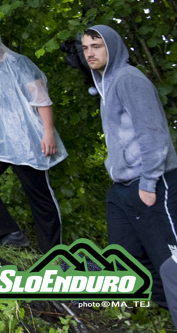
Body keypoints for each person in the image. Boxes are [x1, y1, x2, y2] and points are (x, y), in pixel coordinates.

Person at [81, 25, 177, 309]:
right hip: (122, 188)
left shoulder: (129, 79)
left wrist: (148, 183)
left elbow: (153, 134)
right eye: (85, 48)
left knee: (170, 263)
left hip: (153, 182)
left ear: (112, 47)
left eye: (96, 46)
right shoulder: (106, 84)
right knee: (128, 261)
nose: (90, 53)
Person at [0, 25, 67, 252]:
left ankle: (53, 253)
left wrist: (48, 133)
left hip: (26, 139)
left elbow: (42, 99)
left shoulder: (19, 64)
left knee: (39, 195)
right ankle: (9, 234)